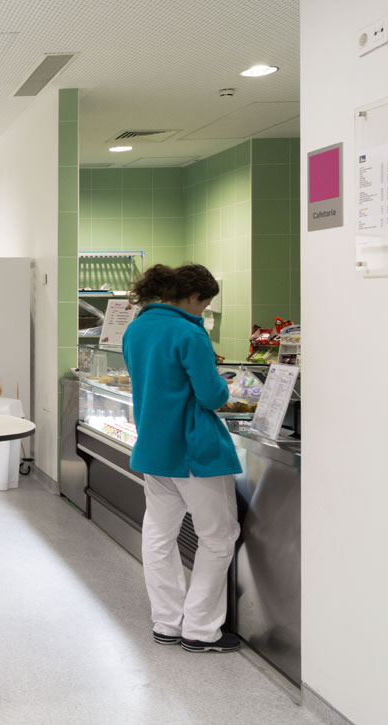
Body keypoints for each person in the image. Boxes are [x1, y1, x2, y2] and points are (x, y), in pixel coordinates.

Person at [122, 263, 241, 653]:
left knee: (159, 536)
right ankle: (201, 629)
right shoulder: (189, 332)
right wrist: (222, 382)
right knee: (218, 537)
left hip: (154, 448)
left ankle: (167, 622)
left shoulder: (138, 327)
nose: (203, 310)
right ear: (192, 297)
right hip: (194, 451)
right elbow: (211, 396)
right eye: (204, 304)